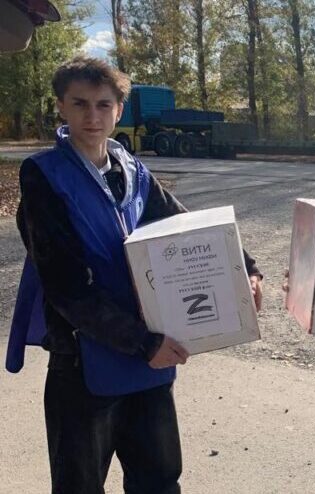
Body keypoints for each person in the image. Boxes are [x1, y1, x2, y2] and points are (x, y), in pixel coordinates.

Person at [6, 56, 263, 494]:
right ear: (61, 107)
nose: (92, 116)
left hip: (148, 357)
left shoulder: (130, 167)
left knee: (159, 481)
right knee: (79, 486)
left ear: (119, 110)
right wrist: (144, 342)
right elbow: (66, 287)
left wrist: (245, 270)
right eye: (80, 104)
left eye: (103, 105)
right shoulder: (44, 175)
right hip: (85, 361)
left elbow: (186, 226)